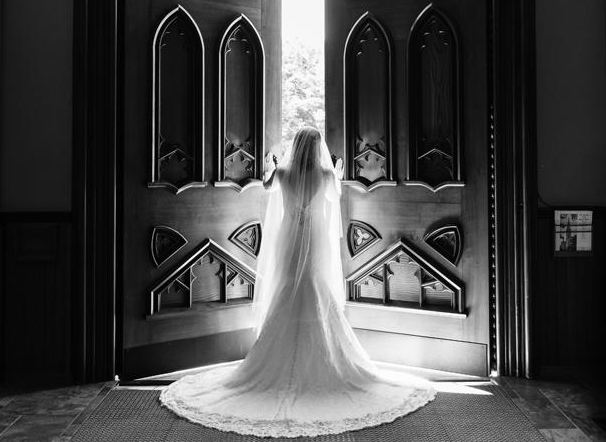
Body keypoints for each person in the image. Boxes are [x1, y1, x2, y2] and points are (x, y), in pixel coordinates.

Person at [160, 127, 436, 434]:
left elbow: (266, 187)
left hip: (289, 240)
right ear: (318, 148)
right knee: (316, 288)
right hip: (315, 239)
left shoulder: (283, 172)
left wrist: (269, 166)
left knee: (287, 289)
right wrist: (339, 170)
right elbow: (336, 195)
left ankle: (277, 351)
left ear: (297, 146)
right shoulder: (325, 175)